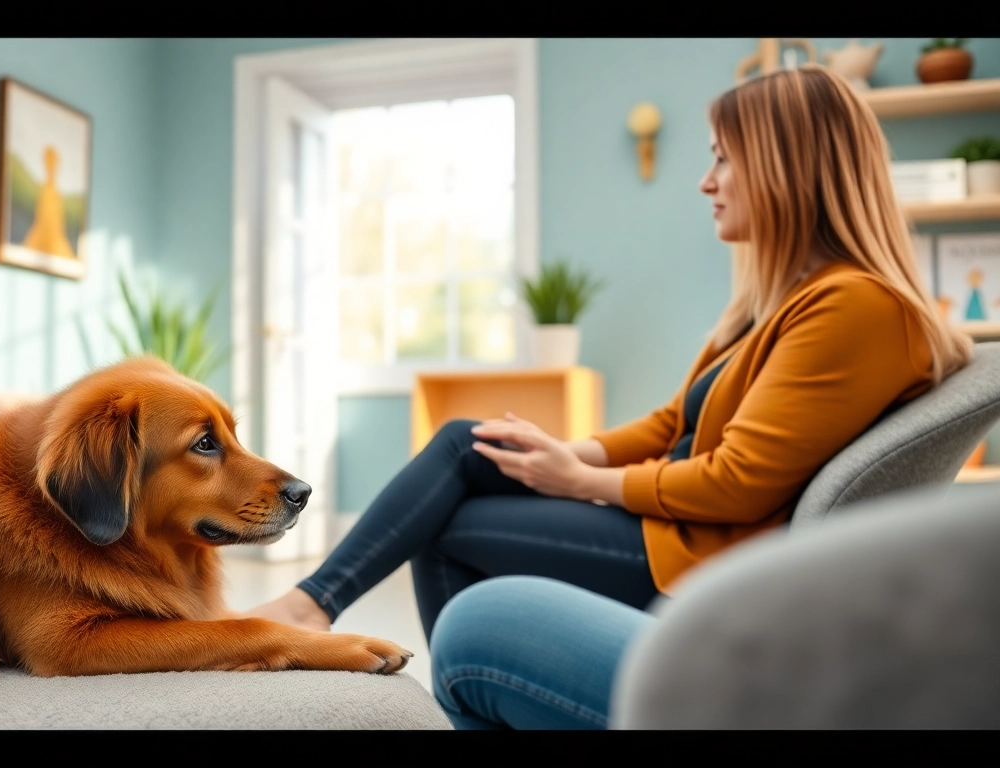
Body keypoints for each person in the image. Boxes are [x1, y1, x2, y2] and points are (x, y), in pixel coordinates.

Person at [245, 64, 974, 728]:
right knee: (471, 445)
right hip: (676, 528)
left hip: (697, 551)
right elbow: (673, 422)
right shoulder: (786, 302)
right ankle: (335, 617)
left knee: (446, 513)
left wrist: (581, 481)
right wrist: (571, 453)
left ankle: (357, 631)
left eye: (724, 157)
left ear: (789, 168)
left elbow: (740, 482)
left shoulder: (854, 307)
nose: (707, 181)